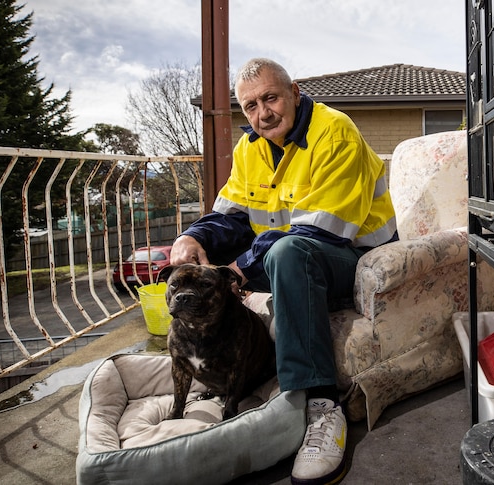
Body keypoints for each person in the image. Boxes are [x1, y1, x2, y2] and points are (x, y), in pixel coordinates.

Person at [169, 57, 396, 485]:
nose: (262, 113)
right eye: (250, 106)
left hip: (355, 260)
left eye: (270, 98)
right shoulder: (248, 148)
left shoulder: (334, 131)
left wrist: (240, 270)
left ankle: (323, 406)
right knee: (219, 272)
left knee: (289, 252)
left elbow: (322, 231)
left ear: (294, 93)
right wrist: (194, 237)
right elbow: (232, 215)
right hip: (285, 258)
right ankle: (217, 365)